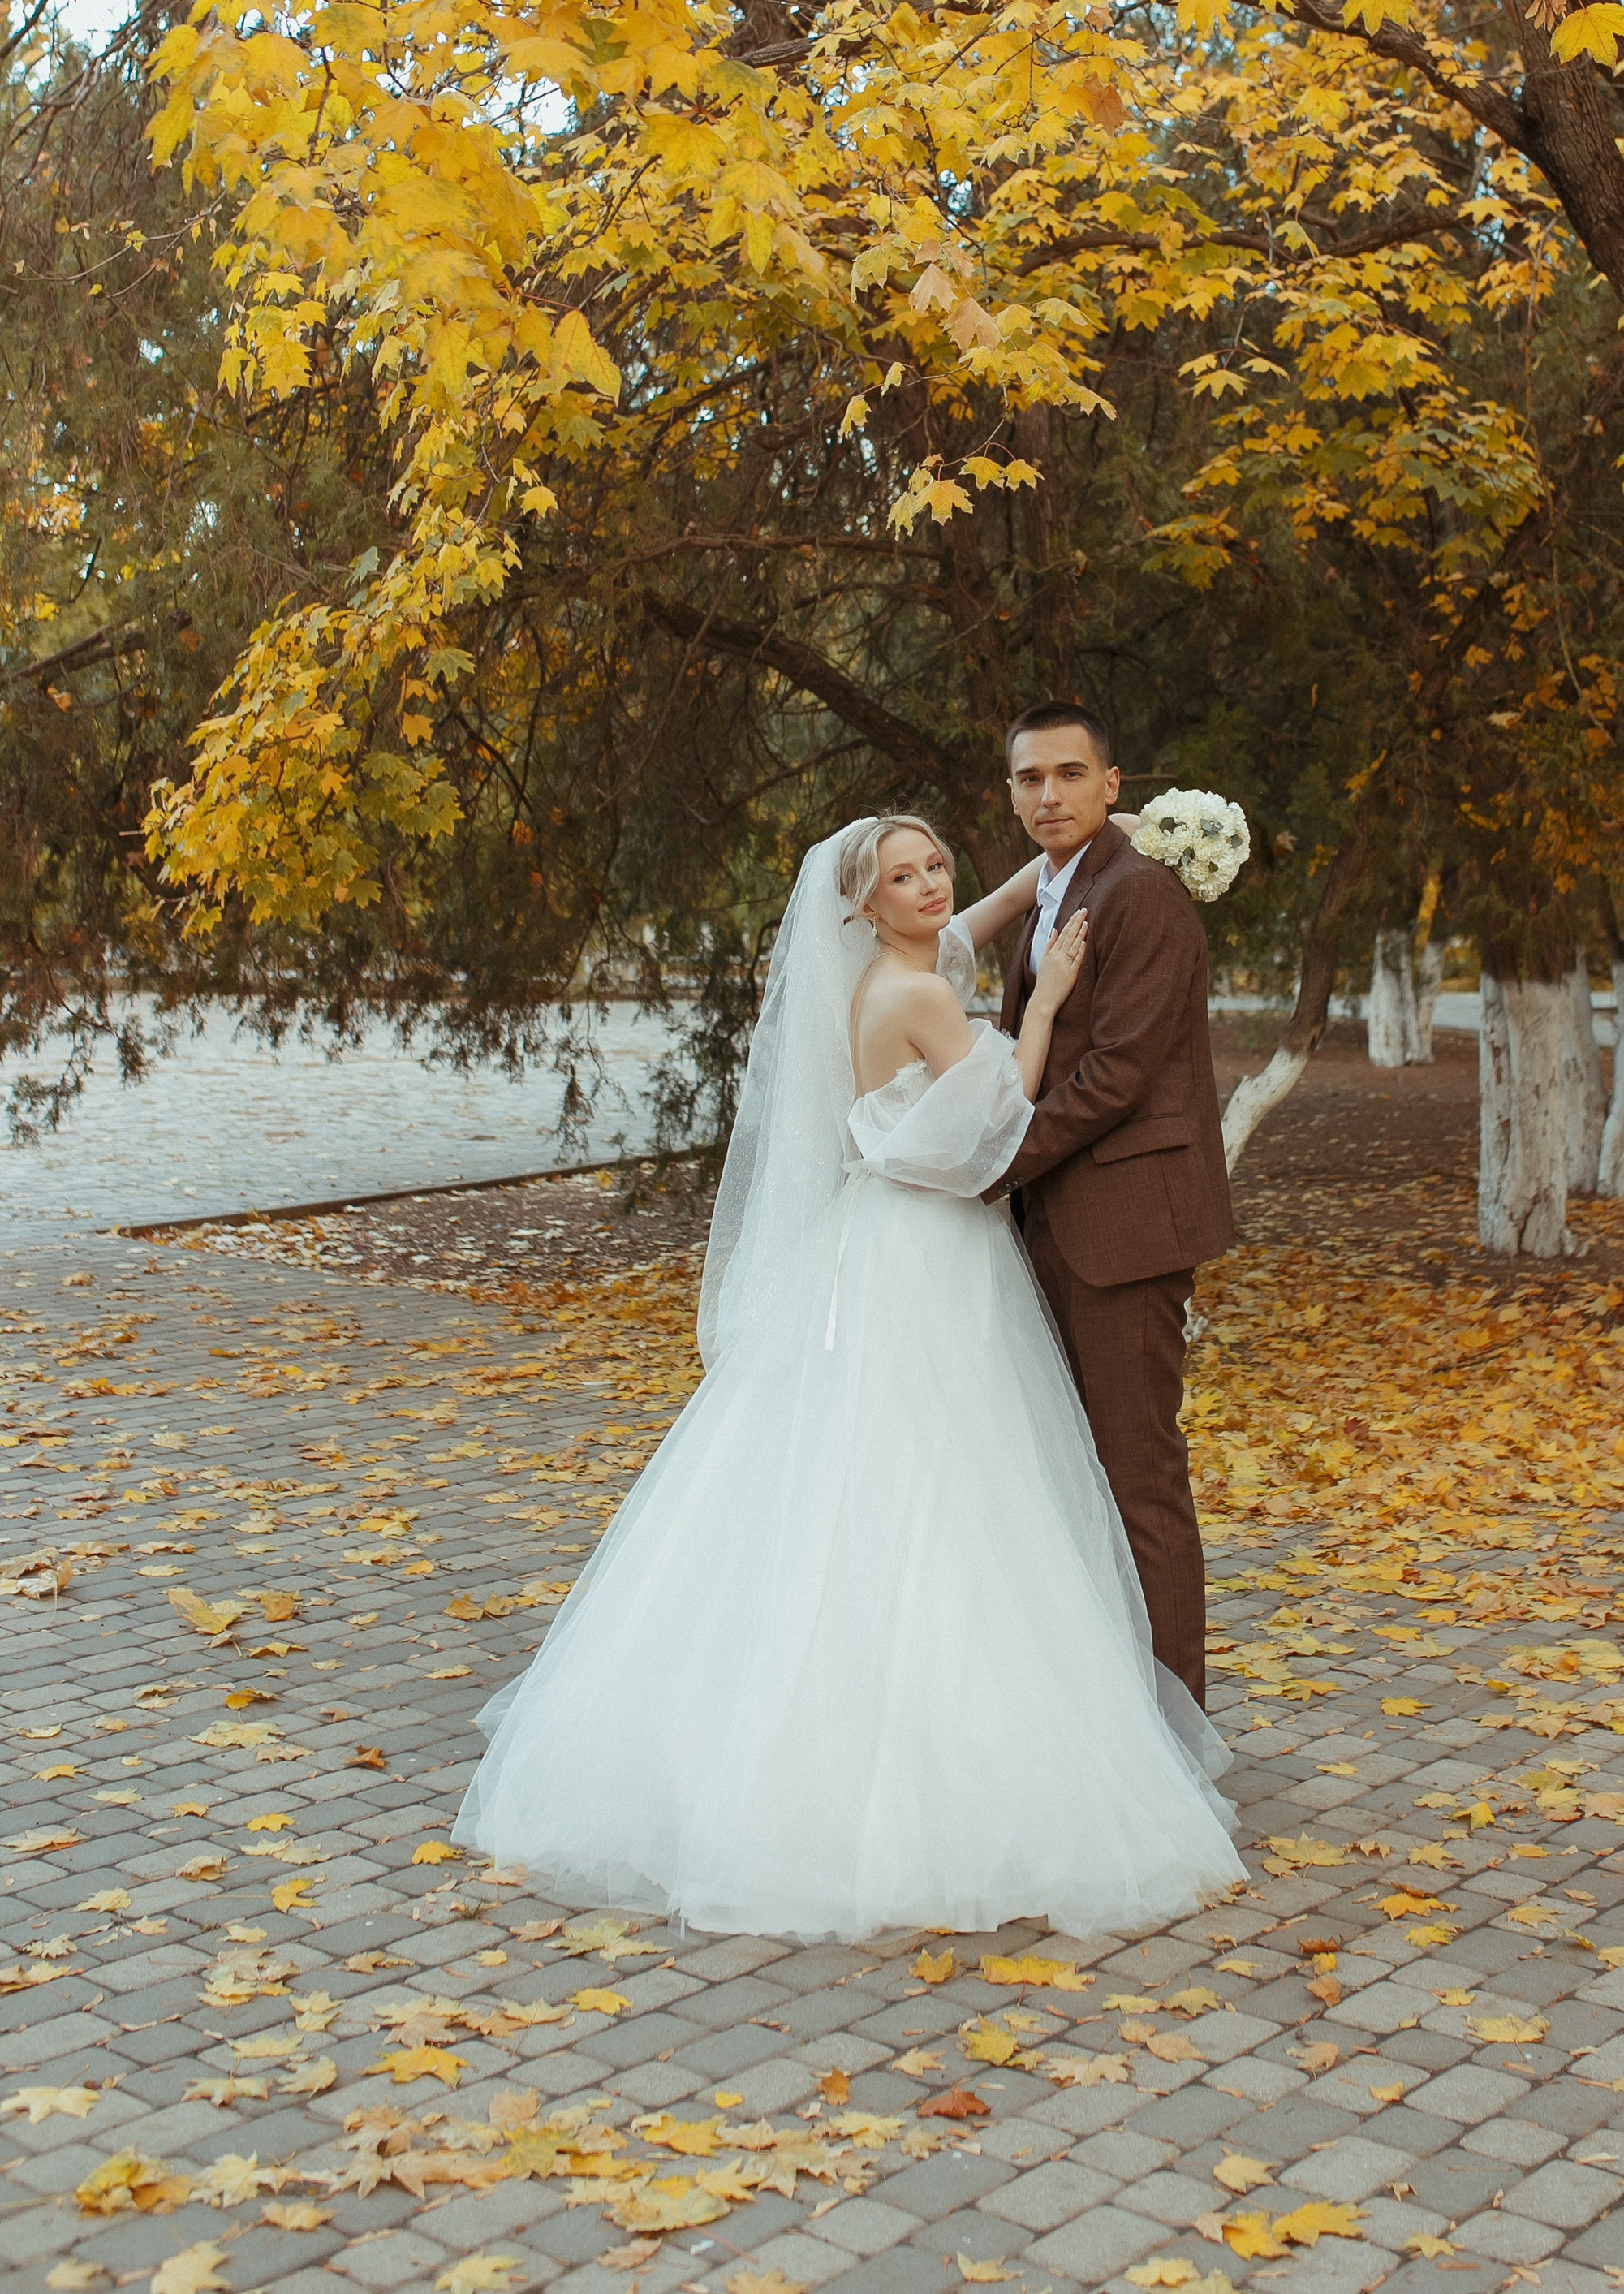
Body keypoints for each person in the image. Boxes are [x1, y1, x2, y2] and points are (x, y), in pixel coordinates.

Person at [452, 812, 1242, 1939]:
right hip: (927, 1253)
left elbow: (965, 928)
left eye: (934, 867)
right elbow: (1004, 1111)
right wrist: (1055, 998)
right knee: (948, 1476)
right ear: (860, 905)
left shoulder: (892, 971)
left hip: (874, 1249)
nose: (927, 886)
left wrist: (1047, 871)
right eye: (900, 876)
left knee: (886, 1470)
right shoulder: (914, 999)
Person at [993, 705, 1234, 1705]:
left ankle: (1178, 1733)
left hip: (1125, 1235)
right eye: (1027, 779)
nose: (1047, 794)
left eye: (1067, 774)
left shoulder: (1143, 895)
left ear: (1112, 784)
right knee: (1074, 1485)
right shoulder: (1054, 892)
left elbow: (1118, 1074)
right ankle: (1109, 1723)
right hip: (1056, 1226)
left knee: (1139, 1484)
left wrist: (990, 1161)